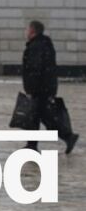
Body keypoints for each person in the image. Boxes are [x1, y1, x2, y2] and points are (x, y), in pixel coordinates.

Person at [22, 19, 78, 153]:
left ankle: (67, 136)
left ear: (32, 31)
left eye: (27, 29)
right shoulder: (44, 44)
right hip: (45, 87)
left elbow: (35, 69)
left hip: (40, 89)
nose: (25, 31)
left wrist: (31, 88)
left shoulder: (36, 46)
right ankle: (32, 145)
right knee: (36, 117)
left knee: (43, 117)